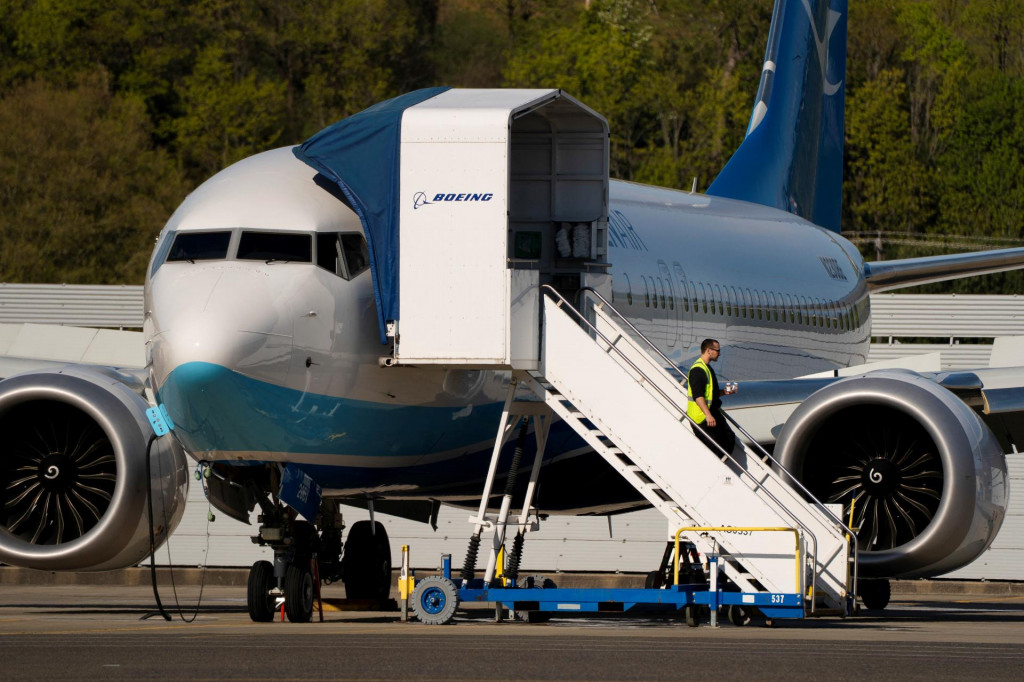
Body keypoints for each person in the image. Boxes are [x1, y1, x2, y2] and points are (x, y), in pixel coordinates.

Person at [686, 338, 737, 456]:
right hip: (702, 417)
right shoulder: (698, 370)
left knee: (728, 438)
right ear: (708, 350)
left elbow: (711, 394)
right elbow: (698, 396)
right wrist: (708, 415)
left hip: (710, 413)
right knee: (719, 447)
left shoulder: (707, 368)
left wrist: (725, 391)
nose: (719, 353)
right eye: (717, 350)